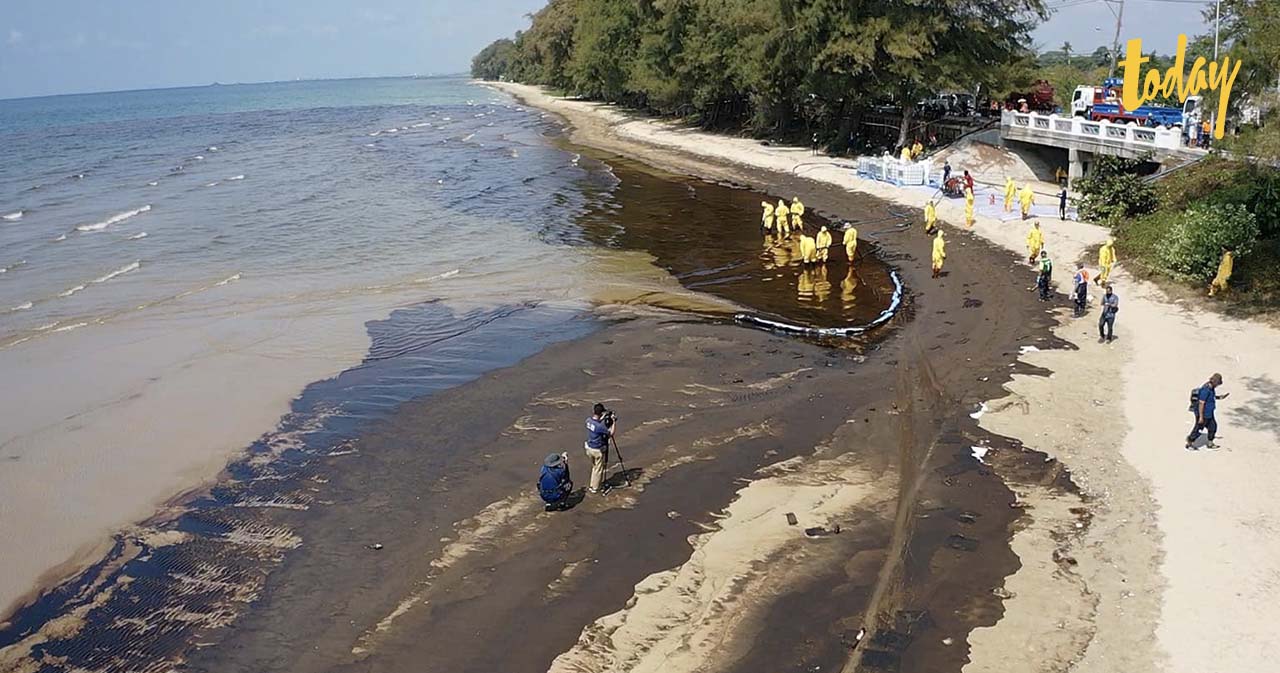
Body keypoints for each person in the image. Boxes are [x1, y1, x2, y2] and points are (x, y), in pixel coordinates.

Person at [1186, 373, 1229, 450]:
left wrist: (1219, 397)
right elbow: (1201, 403)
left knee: (1213, 427)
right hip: (1203, 414)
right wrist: (1201, 417)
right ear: (1215, 382)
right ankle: (1189, 443)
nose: (1218, 385)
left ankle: (1210, 443)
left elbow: (1210, 398)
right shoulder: (1205, 390)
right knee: (1198, 429)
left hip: (1209, 413)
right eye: (1218, 383)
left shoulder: (1211, 388)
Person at [584, 403, 614, 494]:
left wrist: (602, 417)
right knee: (598, 469)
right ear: (601, 413)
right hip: (597, 450)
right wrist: (613, 422)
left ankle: (592, 485)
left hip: (589, 447)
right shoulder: (600, 427)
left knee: (594, 467)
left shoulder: (588, 421)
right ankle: (595, 488)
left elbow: (596, 423)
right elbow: (610, 433)